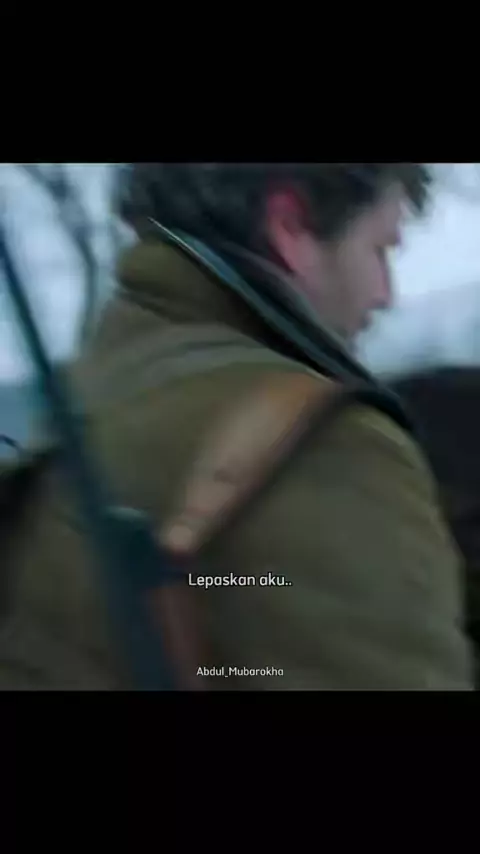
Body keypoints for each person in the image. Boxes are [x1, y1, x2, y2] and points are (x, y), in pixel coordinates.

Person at [0, 164, 473, 690]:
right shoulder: (329, 448)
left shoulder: (76, 416)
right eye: (381, 248)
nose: (385, 294)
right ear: (289, 225)